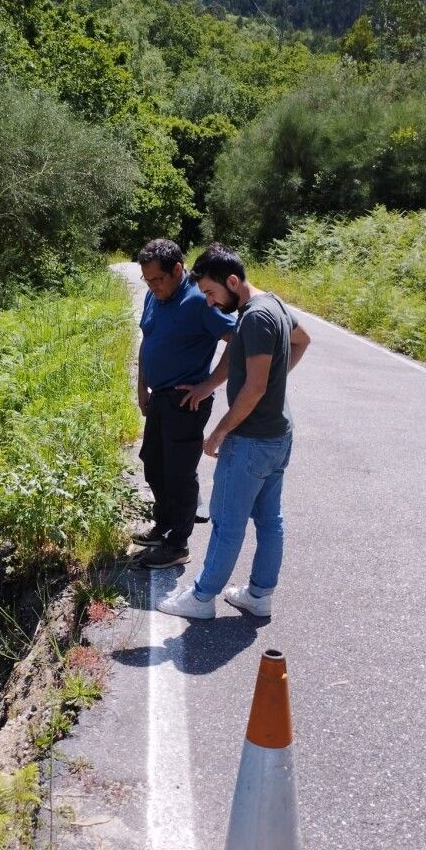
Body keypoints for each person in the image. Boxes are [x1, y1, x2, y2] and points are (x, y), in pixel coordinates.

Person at [157, 243, 311, 619]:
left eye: (210, 293)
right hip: (278, 436)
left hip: (251, 440)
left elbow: (255, 387)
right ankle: (259, 596)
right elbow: (301, 340)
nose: (209, 302)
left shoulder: (256, 317)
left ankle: (202, 597)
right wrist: (211, 385)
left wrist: (220, 431)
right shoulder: (267, 304)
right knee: (269, 519)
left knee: (227, 521)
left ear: (231, 280)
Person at [133, 238, 236, 568]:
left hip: (185, 401)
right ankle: (163, 527)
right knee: (153, 464)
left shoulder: (199, 301)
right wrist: (141, 387)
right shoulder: (154, 296)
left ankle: (178, 544)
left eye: (158, 279)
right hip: (159, 398)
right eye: (147, 280)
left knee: (179, 473)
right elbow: (148, 340)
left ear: (178, 269)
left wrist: (208, 385)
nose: (153, 286)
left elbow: (239, 340)